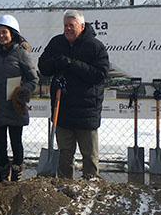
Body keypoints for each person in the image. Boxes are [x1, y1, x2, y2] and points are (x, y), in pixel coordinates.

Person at [37, 10, 109, 179]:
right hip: (62, 109)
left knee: (89, 155)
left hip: (86, 111)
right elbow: (43, 66)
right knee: (64, 154)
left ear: (82, 26)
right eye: (65, 25)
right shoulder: (56, 43)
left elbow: (99, 75)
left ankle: (90, 188)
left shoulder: (95, 47)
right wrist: (56, 61)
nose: (68, 29)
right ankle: (65, 188)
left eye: (72, 25)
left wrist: (72, 64)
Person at [0, 15, 38, 182]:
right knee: (0, 143)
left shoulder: (21, 54)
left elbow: (33, 78)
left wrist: (23, 91)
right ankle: (3, 172)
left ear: (12, 33)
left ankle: (17, 171)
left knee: (15, 141)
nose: (1, 36)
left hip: (15, 106)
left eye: (4, 32)